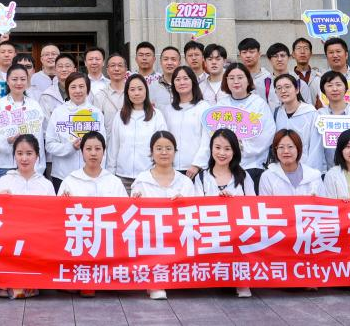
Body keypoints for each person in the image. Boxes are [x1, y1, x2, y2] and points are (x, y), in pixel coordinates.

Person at [130, 131, 194, 300]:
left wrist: (184, 203)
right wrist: (135, 202)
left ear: (175, 151)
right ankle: (155, 282)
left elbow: (196, 213)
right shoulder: (142, 180)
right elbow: (133, 214)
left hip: (178, 234)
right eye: (159, 148)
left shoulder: (185, 182)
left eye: (168, 148)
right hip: (151, 235)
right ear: (152, 152)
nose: (164, 152)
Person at [0, 134, 55, 299]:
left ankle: (23, 283)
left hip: (36, 241)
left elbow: (53, 217)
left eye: (29, 153)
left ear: (37, 156)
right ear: (14, 156)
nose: (24, 158)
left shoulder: (46, 184)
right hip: (9, 240)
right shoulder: (4, 181)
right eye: (19, 153)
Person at [195, 128, 254, 297]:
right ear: (211, 149)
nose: (222, 153)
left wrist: (232, 203)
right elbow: (196, 207)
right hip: (210, 231)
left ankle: (241, 280)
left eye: (227, 149)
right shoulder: (201, 177)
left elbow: (253, 206)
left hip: (238, 231)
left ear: (234, 151)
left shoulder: (243, 176)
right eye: (217, 147)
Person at [0, 64, 47, 182]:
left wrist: (39, 165)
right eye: (14, 79)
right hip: (4, 164)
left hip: (30, 163)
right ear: (7, 81)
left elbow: (39, 138)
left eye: (23, 79)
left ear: (27, 81)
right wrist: (7, 141)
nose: (19, 83)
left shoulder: (34, 105)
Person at [108, 74, 166, 188]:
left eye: (140, 89)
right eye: (132, 89)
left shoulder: (156, 115)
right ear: (127, 92)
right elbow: (113, 147)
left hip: (149, 177)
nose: (136, 93)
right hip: (122, 177)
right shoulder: (120, 115)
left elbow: (163, 145)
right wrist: (111, 174)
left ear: (146, 91)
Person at [220, 63, 274, 178]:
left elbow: (267, 134)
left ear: (248, 80)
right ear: (226, 81)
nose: (236, 82)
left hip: (253, 165)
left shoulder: (258, 104)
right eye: (231, 78)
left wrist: (242, 148)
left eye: (240, 77)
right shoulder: (221, 105)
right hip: (226, 166)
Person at [45, 72, 97, 184]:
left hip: (90, 175)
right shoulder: (58, 112)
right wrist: (70, 147)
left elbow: (102, 145)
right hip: (62, 175)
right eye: (73, 87)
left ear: (88, 89)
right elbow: (49, 145)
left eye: (81, 86)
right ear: (67, 90)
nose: (78, 91)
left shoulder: (95, 113)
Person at [162, 65, 208, 177]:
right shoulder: (168, 110)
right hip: (171, 169)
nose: (182, 82)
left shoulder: (204, 107)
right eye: (177, 79)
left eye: (186, 78)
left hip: (196, 169)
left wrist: (197, 165)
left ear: (193, 81)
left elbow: (207, 139)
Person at [271, 73, 322, 171]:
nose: (283, 91)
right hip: (283, 168)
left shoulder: (311, 113)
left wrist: (311, 172)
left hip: (306, 169)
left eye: (287, 87)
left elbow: (316, 147)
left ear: (297, 89)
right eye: (279, 88)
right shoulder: (277, 113)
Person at [57, 131, 126, 197]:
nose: (93, 153)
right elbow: (59, 205)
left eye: (97, 148)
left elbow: (125, 204)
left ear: (104, 151)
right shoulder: (70, 182)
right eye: (88, 149)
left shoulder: (115, 182)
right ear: (82, 152)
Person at [310, 71, 350, 171]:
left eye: (338, 85)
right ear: (323, 90)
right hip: (328, 171)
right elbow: (316, 147)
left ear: (346, 88)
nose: (334, 89)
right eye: (329, 85)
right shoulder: (318, 116)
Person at [259, 129, 322, 196]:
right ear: (275, 150)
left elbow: (323, 201)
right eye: (281, 147)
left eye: (290, 147)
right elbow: (264, 202)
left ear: (298, 149)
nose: (286, 151)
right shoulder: (268, 177)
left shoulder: (313, 176)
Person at [92, 53, 128, 121]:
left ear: (126, 70)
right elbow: (95, 120)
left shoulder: (134, 93)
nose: (116, 69)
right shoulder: (100, 96)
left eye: (120, 65)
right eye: (112, 65)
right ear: (107, 71)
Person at [291, 37, 322, 101]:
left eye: (306, 48)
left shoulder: (319, 76)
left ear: (311, 54)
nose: (302, 52)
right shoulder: (289, 77)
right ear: (293, 54)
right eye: (298, 48)